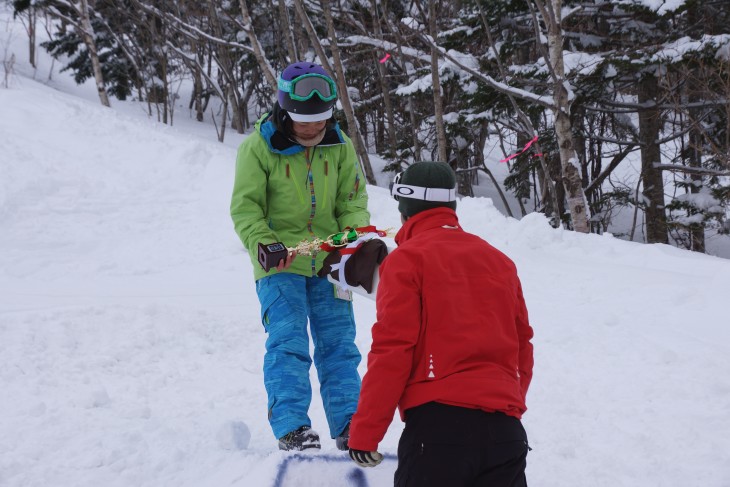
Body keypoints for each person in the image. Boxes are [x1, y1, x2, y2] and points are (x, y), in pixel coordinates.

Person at [347, 161, 534, 486]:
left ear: (406, 210)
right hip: (506, 435)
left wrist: (366, 431)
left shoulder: (407, 260)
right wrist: (506, 402)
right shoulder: (500, 262)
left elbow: (393, 351)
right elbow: (523, 348)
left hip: (439, 432)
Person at [230, 61, 370, 451]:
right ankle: (292, 427)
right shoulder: (258, 148)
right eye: (303, 121)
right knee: (288, 341)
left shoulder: (339, 145)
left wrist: (354, 240)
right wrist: (264, 242)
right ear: (284, 112)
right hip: (279, 263)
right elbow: (246, 209)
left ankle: (350, 424)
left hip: (329, 261)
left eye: (320, 121)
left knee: (339, 344)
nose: (311, 128)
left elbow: (352, 199)